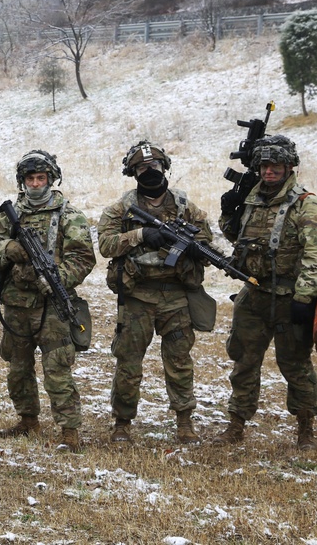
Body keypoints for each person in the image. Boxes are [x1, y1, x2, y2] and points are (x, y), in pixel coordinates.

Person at [215, 135, 317, 450]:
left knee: (295, 364)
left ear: (288, 167)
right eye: (265, 166)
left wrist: (304, 296)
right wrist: (229, 212)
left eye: (276, 166)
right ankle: (236, 424)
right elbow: (237, 238)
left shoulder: (305, 204)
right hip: (253, 294)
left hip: (290, 298)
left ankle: (305, 429)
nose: (270, 172)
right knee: (243, 361)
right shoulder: (252, 200)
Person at [97, 140, 211, 444]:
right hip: (137, 297)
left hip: (175, 296)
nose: (150, 172)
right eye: (142, 168)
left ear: (165, 168)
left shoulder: (185, 207)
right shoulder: (120, 210)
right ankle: (122, 422)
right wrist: (141, 234)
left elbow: (207, 238)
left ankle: (184, 421)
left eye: (155, 166)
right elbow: (106, 245)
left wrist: (195, 249)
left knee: (179, 360)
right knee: (129, 362)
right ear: (133, 173)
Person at [0, 150, 96, 452]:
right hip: (17, 305)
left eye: (41, 178)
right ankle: (27, 419)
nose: (35, 183)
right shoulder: (8, 215)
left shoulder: (69, 216)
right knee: (18, 368)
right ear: (23, 181)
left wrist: (57, 278)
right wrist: (8, 248)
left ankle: (70, 431)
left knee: (57, 368)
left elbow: (83, 259)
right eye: (30, 178)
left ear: (51, 178)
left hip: (52, 306)